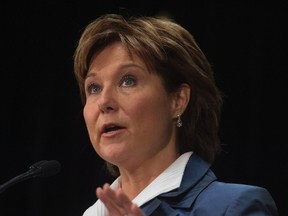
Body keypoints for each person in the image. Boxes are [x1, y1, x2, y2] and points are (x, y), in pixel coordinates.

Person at [73, 13, 278, 216]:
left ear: (178, 100)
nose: (104, 101)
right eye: (94, 88)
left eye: (128, 80)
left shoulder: (234, 207)